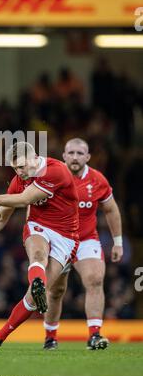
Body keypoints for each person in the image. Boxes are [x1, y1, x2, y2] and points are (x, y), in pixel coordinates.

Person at [0, 141, 79, 352]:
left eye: (22, 166)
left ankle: (29, 302)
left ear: (35, 157)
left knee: (42, 296)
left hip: (67, 236)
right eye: (15, 168)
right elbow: (1, 216)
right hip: (39, 226)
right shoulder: (20, 180)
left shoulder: (56, 171)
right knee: (38, 254)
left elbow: (23, 199)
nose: (19, 172)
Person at [43, 138, 123, 351]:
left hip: (86, 239)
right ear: (64, 155)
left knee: (95, 279)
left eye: (80, 153)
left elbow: (111, 209)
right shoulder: (52, 176)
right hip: (59, 240)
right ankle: (50, 337)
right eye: (71, 153)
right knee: (56, 290)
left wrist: (118, 242)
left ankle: (94, 336)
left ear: (88, 157)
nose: (75, 157)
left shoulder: (97, 180)